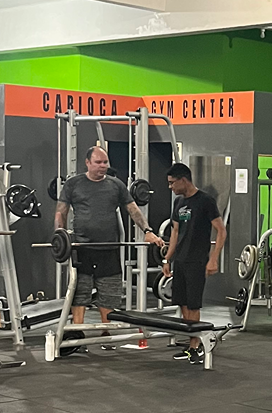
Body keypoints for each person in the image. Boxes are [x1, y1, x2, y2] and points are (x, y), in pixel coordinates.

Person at [56, 146, 163, 333]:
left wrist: (148, 231)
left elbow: (133, 209)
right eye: (98, 162)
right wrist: (59, 236)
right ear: (87, 163)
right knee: (80, 293)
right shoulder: (73, 184)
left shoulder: (116, 185)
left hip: (109, 249)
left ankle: (106, 333)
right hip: (82, 248)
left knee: (109, 294)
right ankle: (76, 333)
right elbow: (61, 212)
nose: (103, 166)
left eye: (105, 162)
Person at [163, 163, 226, 364]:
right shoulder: (178, 202)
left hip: (197, 260)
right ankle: (193, 342)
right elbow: (175, 232)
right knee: (182, 303)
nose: (170, 187)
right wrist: (167, 259)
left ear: (184, 180)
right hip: (180, 260)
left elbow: (221, 230)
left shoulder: (205, 201)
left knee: (193, 304)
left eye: (172, 183)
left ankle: (194, 347)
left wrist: (213, 259)